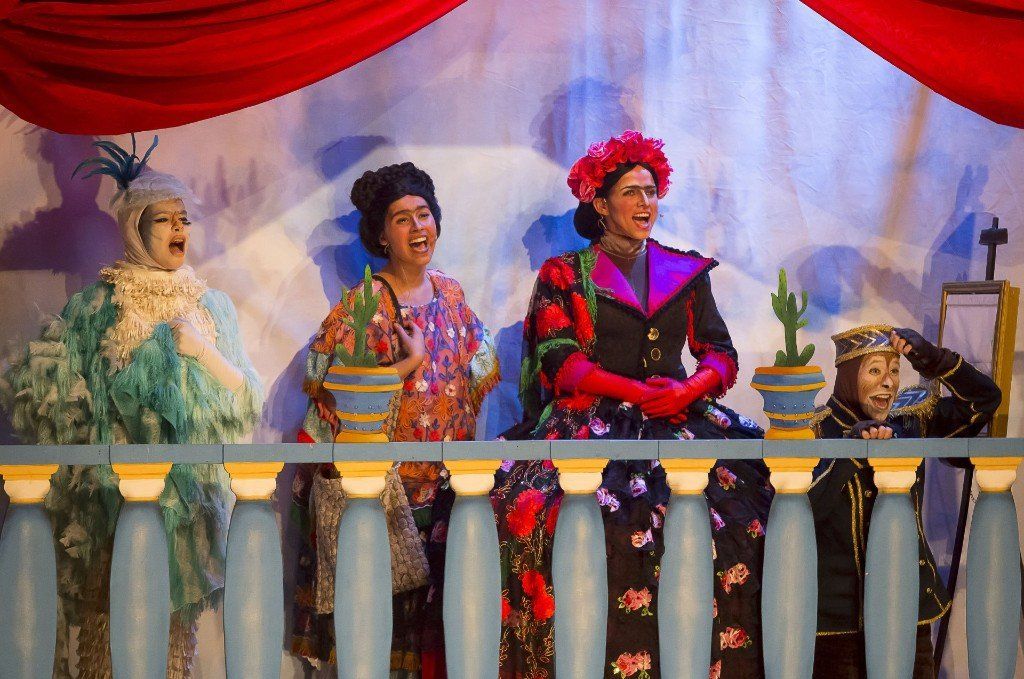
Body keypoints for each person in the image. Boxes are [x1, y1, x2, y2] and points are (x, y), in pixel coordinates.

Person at [498, 130, 772, 679]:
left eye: (651, 191)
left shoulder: (685, 270)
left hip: (680, 419)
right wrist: (635, 392)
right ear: (600, 204)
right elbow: (561, 361)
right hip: (593, 423)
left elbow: (720, 353)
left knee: (746, 516)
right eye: (631, 192)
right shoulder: (563, 274)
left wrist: (689, 390)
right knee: (571, 521)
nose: (646, 202)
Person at [1, 136, 262, 679]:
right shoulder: (99, 304)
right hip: (111, 497)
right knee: (107, 630)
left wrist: (204, 353)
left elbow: (244, 398)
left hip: (186, 498)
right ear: (136, 228)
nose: (179, 229)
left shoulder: (210, 306)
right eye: (164, 220)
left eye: (183, 219)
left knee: (173, 639)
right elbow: (52, 395)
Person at [290, 162, 499, 677]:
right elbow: (332, 385)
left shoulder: (451, 293)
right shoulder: (366, 302)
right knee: (379, 643)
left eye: (424, 214)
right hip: (388, 499)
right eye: (401, 219)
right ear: (381, 235)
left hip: (446, 495)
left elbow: (479, 362)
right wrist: (410, 364)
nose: (417, 227)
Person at [810, 324, 1001, 679]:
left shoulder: (909, 419)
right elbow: (803, 513)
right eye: (875, 371)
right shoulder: (814, 430)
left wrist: (936, 361)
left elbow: (984, 400)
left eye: (895, 371)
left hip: (908, 610)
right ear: (849, 375)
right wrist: (850, 452)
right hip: (837, 623)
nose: (888, 382)